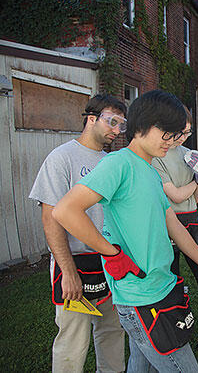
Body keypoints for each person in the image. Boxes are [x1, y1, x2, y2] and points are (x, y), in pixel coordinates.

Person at [52, 90, 198, 373]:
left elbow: (172, 223)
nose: (171, 142)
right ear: (142, 125)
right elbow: (65, 211)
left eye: (175, 135)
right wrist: (112, 254)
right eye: (166, 134)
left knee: (139, 364)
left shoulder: (149, 169)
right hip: (140, 296)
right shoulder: (118, 164)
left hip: (162, 286)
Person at [29, 94, 127, 373]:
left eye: (121, 125)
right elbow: (51, 219)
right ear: (91, 118)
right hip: (74, 262)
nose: (116, 130)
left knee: (112, 333)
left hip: (109, 261)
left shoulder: (112, 161)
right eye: (112, 121)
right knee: (73, 341)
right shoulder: (61, 157)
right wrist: (68, 272)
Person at [152, 112, 198, 356]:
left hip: (192, 224)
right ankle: (175, 339)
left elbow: (193, 201)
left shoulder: (188, 154)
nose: (184, 137)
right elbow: (176, 196)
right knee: (172, 286)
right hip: (167, 226)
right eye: (181, 132)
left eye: (188, 132)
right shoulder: (158, 156)